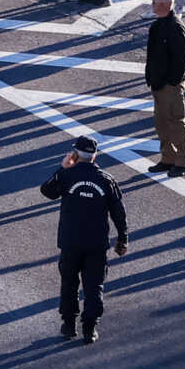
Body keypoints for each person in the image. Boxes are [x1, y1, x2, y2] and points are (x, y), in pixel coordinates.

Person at [40, 135, 130, 342]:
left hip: (70, 242)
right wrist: (123, 238)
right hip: (96, 244)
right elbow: (119, 212)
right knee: (94, 286)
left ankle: (69, 325)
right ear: (94, 155)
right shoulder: (106, 180)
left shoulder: (67, 175)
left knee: (69, 283)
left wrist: (63, 168)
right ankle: (90, 329)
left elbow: (47, 191)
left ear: (75, 154)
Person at [144, 0, 185, 176]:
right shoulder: (157, 26)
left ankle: (183, 162)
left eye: (155, 2)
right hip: (158, 84)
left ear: (163, 5)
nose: (152, 4)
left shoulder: (175, 27)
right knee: (161, 123)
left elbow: (183, 58)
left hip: (170, 85)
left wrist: (172, 82)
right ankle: (168, 158)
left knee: (176, 122)